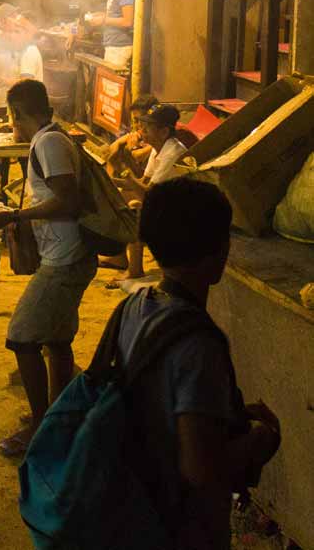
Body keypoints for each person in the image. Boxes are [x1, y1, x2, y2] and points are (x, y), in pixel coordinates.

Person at [115, 179, 281, 548]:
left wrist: (228, 414)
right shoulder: (199, 344)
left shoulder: (135, 306)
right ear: (219, 252)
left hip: (137, 498)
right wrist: (260, 436)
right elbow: (200, 469)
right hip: (181, 526)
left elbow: (160, 400)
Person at [0, 79, 95, 459]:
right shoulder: (52, 138)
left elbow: (67, 200)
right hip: (68, 255)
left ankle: (39, 424)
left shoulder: (48, 143)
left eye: (10, 114)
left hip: (64, 259)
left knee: (22, 337)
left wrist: (17, 214)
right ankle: (59, 420)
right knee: (58, 340)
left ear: (17, 112)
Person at [108, 103, 189, 287]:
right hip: (163, 202)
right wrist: (111, 181)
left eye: (148, 126)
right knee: (119, 196)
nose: (142, 130)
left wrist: (125, 171)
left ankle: (135, 270)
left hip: (180, 213)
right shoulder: (157, 148)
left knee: (135, 206)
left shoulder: (173, 152)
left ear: (163, 132)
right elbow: (143, 182)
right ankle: (119, 257)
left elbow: (149, 194)